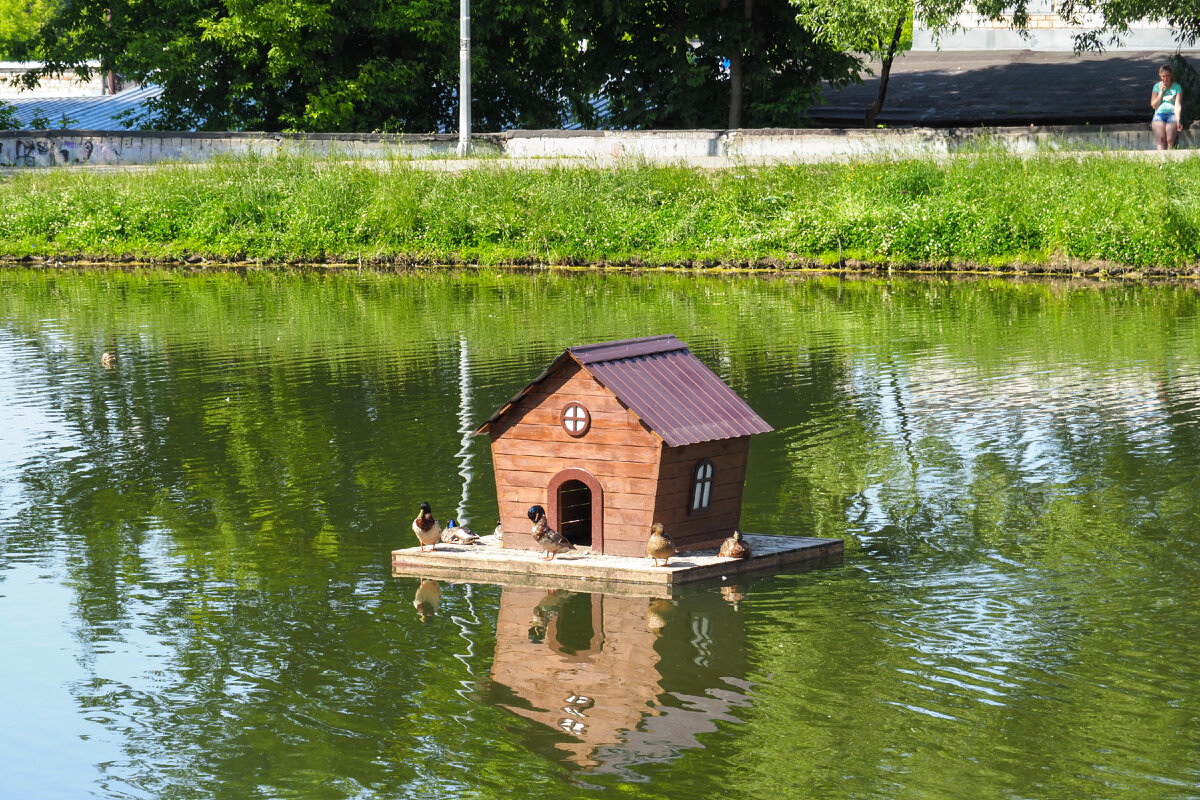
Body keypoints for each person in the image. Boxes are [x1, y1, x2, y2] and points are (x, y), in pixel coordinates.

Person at [1151, 64, 1184, 150]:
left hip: (1172, 114)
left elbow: (1178, 105)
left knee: (1169, 140)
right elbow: (1154, 105)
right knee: (1160, 139)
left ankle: (1169, 159)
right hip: (1159, 114)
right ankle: (1160, 161)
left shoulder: (1177, 87)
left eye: (1168, 76)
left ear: (1171, 75)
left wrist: (1178, 120)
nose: (1166, 79)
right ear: (1160, 76)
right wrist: (1160, 93)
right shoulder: (1156, 87)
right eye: (1163, 76)